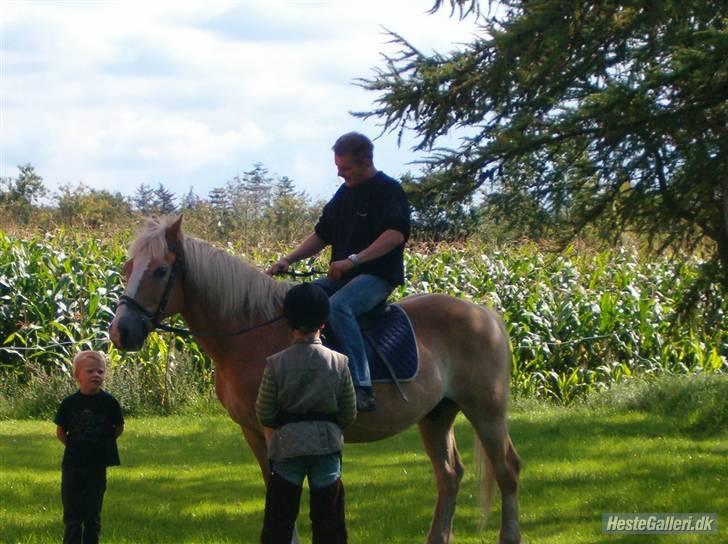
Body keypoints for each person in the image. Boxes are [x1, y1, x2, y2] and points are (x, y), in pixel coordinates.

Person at [267, 131, 411, 411]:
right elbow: (322, 235)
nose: (339, 174)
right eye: (337, 167)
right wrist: (288, 259)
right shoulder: (345, 193)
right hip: (343, 277)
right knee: (300, 298)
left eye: (345, 168)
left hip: (377, 277)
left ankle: (362, 386)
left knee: (338, 307)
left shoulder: (389, 191)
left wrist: (354, 260)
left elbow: (395, 235)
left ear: (365, 162)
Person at [256, 282, 357, 544]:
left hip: (286, 450)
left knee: (279, 521)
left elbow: (264, 412)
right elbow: (348, 412)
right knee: (329, 521)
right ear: (323, 322)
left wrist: (285, 426)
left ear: (289, 322)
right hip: (326, 449)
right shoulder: (340, 363)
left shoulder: (275, 364)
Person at [54, 350, 124, 544]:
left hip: (97, 464)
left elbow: (118, 428)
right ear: (77, 376)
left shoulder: (109, 403)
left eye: (100, 371)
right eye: (90, 371)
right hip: (73, 465)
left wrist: (102, 444)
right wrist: (76, 446)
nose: (96, 375)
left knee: (92, 512)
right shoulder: (69, 404)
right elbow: (61, 432)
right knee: (72, 512)